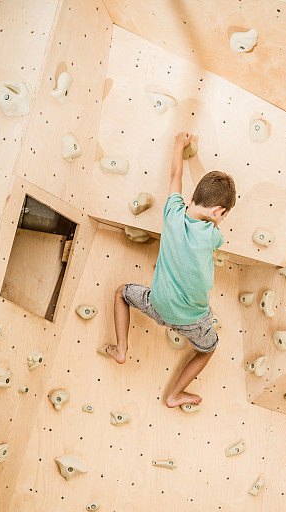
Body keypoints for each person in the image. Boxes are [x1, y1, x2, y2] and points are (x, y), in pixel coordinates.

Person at [106, 131, 236, 408]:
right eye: (223, 214)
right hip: (193, 319)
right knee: (208, 348)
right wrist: (214, 219)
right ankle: (174, 394)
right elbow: (213, 227)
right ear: (219, 213)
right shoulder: (212, 235)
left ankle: (121, 349)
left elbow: (175, 174)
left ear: (191, 196)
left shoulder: (172, 212)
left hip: (158, 305)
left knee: (121, 293)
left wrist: (179, 144)